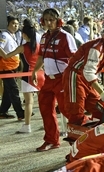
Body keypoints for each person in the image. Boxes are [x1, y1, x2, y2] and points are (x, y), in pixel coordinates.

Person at [31, 8, 77, 151]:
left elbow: (74, 58)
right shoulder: (44, 37)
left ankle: (81, 140)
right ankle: (52, 140)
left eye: (52, 20)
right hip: (47, 79)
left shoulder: (65, 36)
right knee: (45, 109)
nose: (49, 23)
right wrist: (35, 71)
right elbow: (40, 57)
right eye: (46, 20)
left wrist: (74, 78)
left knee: (67, 110)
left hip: (62, 78)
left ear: (58, 21)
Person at [1, 19, 43, 134]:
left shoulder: (23, 47)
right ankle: (46, 123)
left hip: (28, 76)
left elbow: (6, 56)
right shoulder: (40, 46)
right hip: (40, 75)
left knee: (29, 102)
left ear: (24, 35)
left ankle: (27, 126)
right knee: (43, 102)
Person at [0, 16, 23, 120]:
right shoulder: (4, 35)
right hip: (6, 67)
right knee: (14, 89)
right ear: (8, 24)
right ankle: (20, 112)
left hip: (13, 67)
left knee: (8, 91)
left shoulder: (13, 35)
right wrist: (5, 56)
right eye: (13, 23)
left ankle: (2, 111)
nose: (15, 26)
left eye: (17, 24)